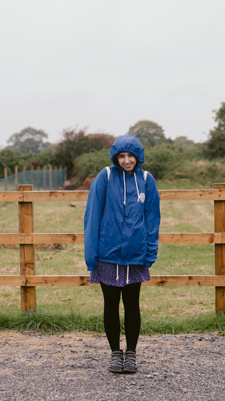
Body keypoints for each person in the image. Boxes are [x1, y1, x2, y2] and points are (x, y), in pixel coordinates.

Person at [84, 134, 161, 374]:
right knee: (110, 305)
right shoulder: (105, 176)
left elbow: (152, 218)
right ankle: (115, 354)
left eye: (131, 156)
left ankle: (131, 354)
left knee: (132, 305)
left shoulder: (147, 180)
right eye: (122, 156)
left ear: (138, 157)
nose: (127, 160)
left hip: (135, 254)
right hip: (107, 254)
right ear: (116, 157)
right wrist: (91, 254)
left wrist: (150, 253)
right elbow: (92, 215)